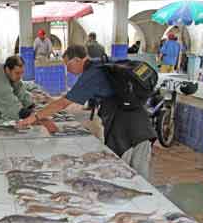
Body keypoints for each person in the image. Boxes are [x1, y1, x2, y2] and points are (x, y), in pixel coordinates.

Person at [18, 45, 156, 179]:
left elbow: (63, 103)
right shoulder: (100, 64)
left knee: (132, 175)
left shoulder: (91, 74)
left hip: (129, 130)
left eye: (68, 65)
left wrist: (34, 117)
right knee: (128, 172)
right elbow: (76, 96)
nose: (68, 70)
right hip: (134, 123)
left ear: (77, 60)